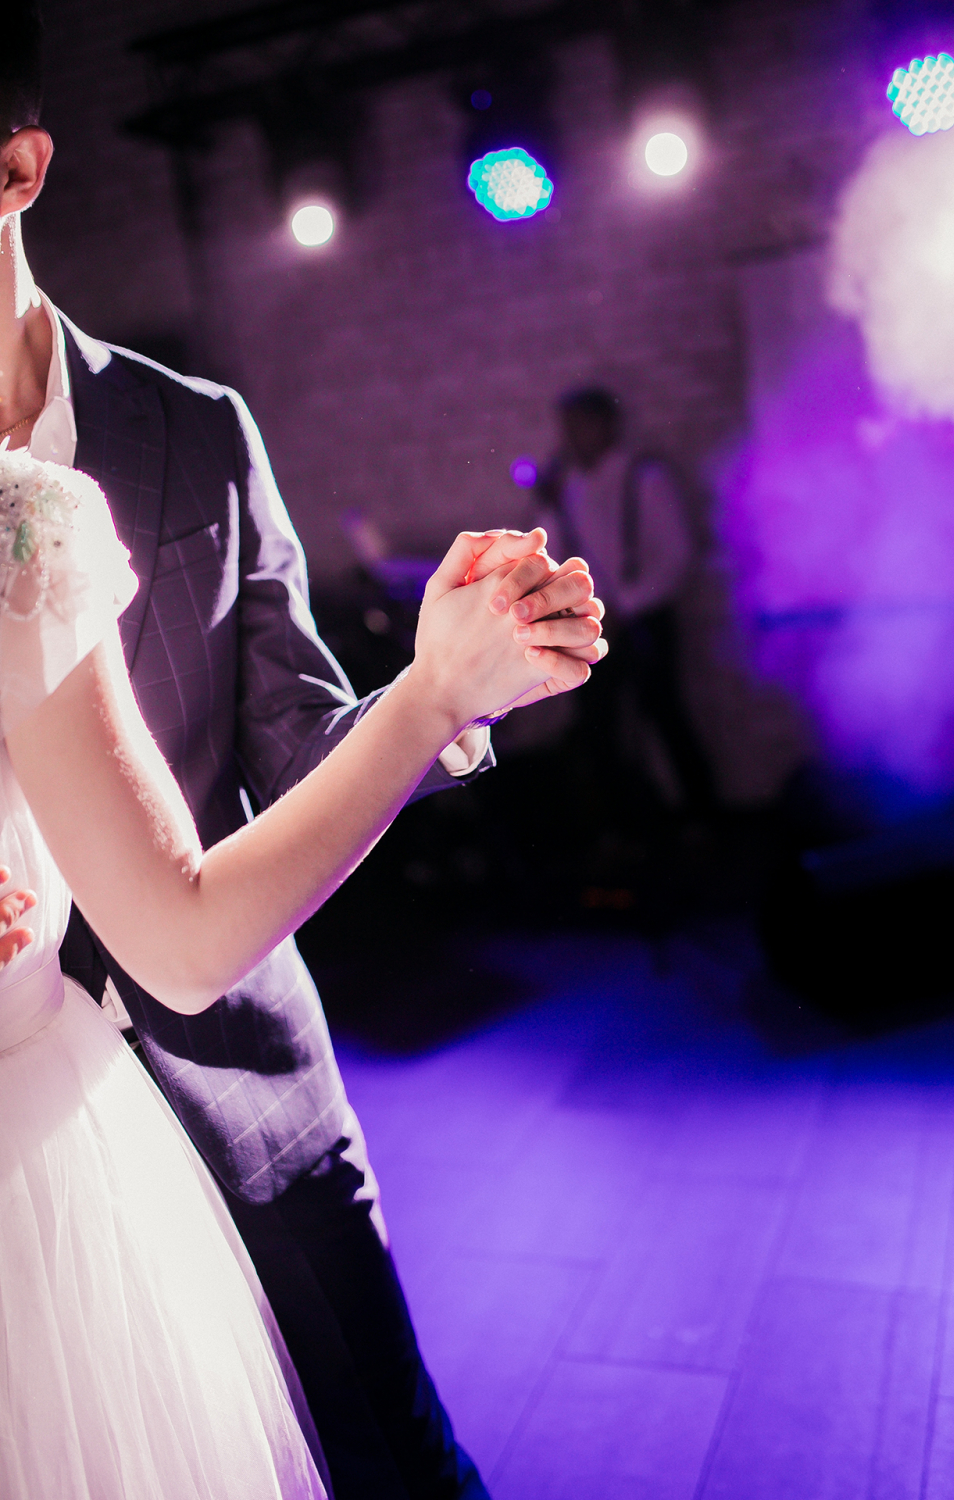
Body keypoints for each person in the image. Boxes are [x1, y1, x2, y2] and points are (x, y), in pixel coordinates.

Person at [0, 13, 605, 1498]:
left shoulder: (191, 432)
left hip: (242, 1090)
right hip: (28, 1153)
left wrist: (447, 693)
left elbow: (298, 740)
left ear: (17, 169)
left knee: (398, 1466)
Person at [536, 386, 717, 822]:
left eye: (582, 426)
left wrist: (627, 607)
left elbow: (677, 556)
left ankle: (703, 820)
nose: (572, 437)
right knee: (599, 727)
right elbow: (550, 554)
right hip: (588, 627)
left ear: (608, 425)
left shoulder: (645, 477)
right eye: (567, 428)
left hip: (644, 621)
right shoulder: (565, 487)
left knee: (664, 714)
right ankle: (624, 829)